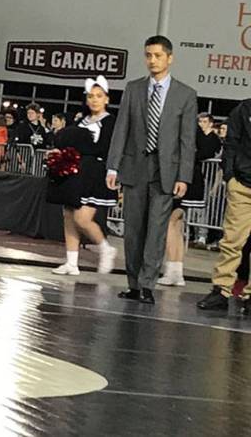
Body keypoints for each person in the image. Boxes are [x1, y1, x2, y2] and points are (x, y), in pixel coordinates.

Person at [107, 35, 197, 305]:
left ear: (170, 58)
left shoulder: (185, 94)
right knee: (133, 229)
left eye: (158, 55)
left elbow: (187, 140)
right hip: (135, 167)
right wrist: (113, 166)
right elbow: (121, 129)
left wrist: (184, 176)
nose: (152, 60)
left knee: (156, 229)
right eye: (148, 55)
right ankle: (133, 284)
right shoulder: (134, 89)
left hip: (165, 171)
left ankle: (147, 284)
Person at [47, 76, 119, 275]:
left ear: (107, 99)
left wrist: (112, 170)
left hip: (95, 174)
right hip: (75, 172)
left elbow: (105, 148)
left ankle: (105, 248)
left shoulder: (111, 121)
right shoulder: (81, 121)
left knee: (82, 218)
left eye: (99, 96)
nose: (94, 100)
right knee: (68, 215)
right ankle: (71, 263)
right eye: (91, 96)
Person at [199, 97, 251, 315]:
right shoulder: (245, 108)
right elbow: (231, 142)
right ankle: (221, 290)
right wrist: (230, 176)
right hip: (242, 183)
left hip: (241, 179)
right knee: (231, 240)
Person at [159, 113, 222, 287]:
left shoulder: (185, 127)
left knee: (170, 222)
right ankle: (176, 271)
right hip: (188, 178)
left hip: (182, 178)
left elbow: (208, 149)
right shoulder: (191, 128)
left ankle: (172, 270)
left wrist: (184, 159)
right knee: (176, 224)